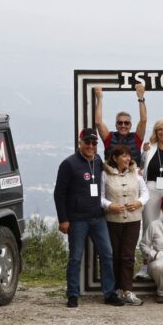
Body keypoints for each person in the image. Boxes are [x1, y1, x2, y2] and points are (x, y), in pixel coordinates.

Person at [53, 128, 123, 308]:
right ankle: (73, 294)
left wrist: (134, 170)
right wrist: (63, 219)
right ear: (80, 143)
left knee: (107, 254)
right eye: (87, 143)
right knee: (75, 257)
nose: (91, 146)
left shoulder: (98, 161)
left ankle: (109, 293)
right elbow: (59, 194)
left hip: (98, 217)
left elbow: (116, 165)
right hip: (77, 219)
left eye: (94, 143)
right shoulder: (68, 164)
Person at [102, 144, 148, 306]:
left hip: (133, 220)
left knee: (128, 256)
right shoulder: (105, 174)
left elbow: (145, 192)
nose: (128, 159)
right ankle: (115, 289)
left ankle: (128, 290)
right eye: (123, 156)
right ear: (115, 158)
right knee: (114, 255)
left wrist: (138, 202)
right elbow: (100, 197)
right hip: (113, 221)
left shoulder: (136, 173)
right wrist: (109, 205)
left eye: (129, 156)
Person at [94, 83, 147, 166]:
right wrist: (99, 99)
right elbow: (98, 122)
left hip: (131, 176)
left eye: (126, 123)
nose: (123, 125)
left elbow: (143, 120)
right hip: (113, 176)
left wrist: (141, 98)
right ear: (116, 125)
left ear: (130, 125)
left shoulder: (137, 138)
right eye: (120, 123)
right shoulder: (109, 138)